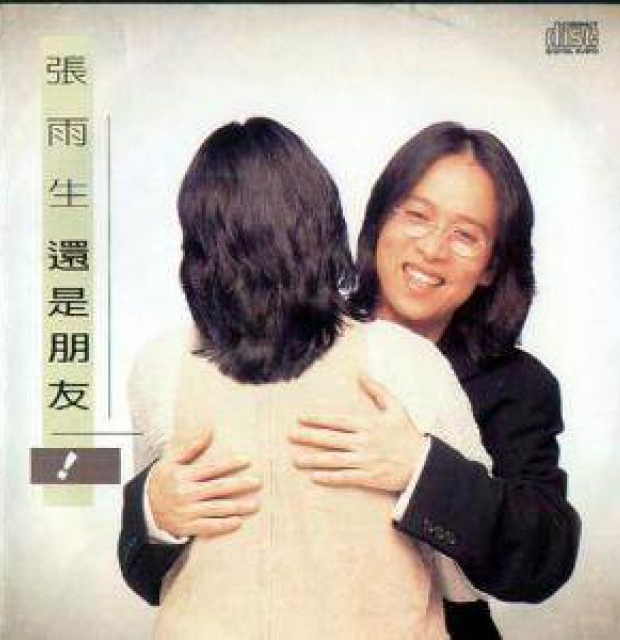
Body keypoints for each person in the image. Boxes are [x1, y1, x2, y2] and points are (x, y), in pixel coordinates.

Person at [119, 121, 581, 638]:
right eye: (417, 216)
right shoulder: (278, 336)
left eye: (465, 235)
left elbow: (544, 560)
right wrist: (155, 512)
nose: (433, 249)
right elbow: (152, 573)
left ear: (492, 266)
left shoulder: (518, 386)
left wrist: (420, 468)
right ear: (379, 221)